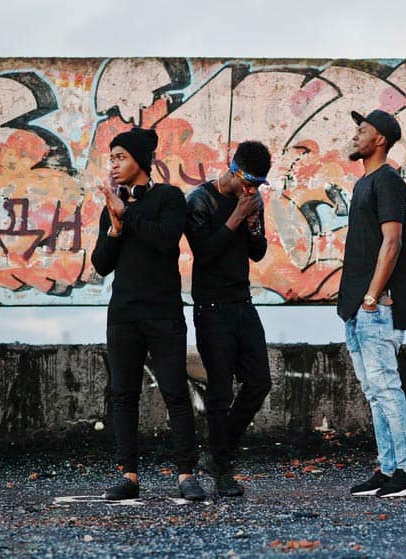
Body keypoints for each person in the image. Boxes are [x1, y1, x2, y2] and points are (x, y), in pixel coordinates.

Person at [91, 127, 205, 501]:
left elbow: (165, 239)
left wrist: (129, 215)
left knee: (175, 393)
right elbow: (101, 264)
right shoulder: (113, 206)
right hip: (123, 314)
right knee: (123, 394)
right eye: (111, 158)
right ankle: (129, 475)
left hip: (163, 313)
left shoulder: (169, 198)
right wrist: (115, 229)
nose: (114, 165)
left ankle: (187, 474)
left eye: (120, 157)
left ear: (141, 160)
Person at [338, 110, 406, 498]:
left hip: (377, 307)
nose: (355, 135)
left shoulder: (388, 181)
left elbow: (392, 243)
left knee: (387, 388)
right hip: (358, 308)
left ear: (380, 141)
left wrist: (372, 297)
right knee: (374, 392)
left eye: (363, 130)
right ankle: (388, 468)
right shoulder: (364, 183)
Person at [185, 141, 272, 497]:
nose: (252, 190)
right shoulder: (200, 201)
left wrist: (252, 225)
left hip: (242, 301)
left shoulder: (253, 201)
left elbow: (259, 252)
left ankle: (218, 452)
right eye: (248, 182)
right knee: (220, 393)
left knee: (259, 381)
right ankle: (222, 472)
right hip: (211, 307)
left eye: (258, 185)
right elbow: (203, 254)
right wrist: (236, 217)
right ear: (233, 169)